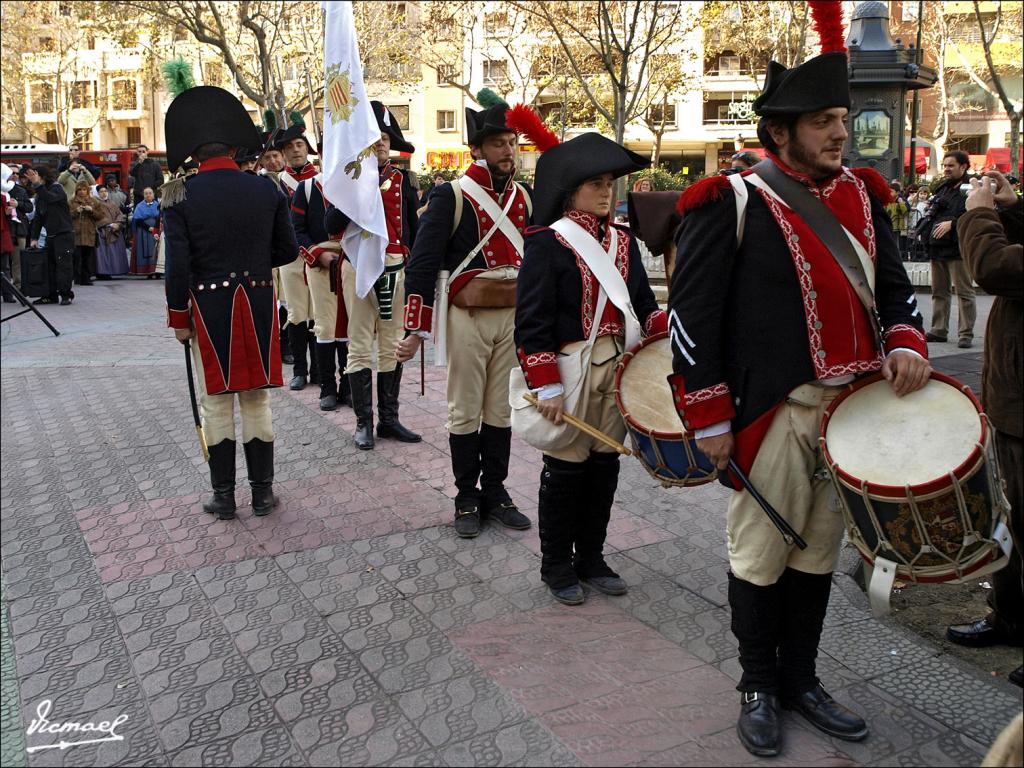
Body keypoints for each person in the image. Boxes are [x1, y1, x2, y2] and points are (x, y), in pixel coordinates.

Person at [667, 21, 930, 756]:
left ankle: (802, 681)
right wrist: (710, 416)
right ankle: (757, 684)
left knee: (816, 551)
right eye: (824, 122)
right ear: (781, 132)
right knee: (759, 554)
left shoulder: (864, 197)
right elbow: (692, 317)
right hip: (772, 411)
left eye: (843, 120)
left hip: (850, 411)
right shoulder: (733, 200)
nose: (840, 134)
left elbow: (894, 289)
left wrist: (906, 340)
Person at [515, 132, 667, 604]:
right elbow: (532, 322)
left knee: (604, 467)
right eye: (595, 183)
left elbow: (641, 303)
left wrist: (668, 334)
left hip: (619, 368)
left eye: (609, 183)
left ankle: (592, 558)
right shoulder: (547, 242)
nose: (606, 192)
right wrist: (546, 386)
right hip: (572, 370)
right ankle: (556, 564)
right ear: (570, 189)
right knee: (565, 470)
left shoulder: (623, 241)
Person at [397, 99, 533, 537]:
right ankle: (466, 498)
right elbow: (422, 263)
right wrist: (416, 329)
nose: (508, 150)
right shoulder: (451, 194)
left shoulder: (524, 197)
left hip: (513, 313)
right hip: (468, 316)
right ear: (478, 149)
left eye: (511, 142)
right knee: (464, 411)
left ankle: (495, 491)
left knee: (500, 410)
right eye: (498, 143)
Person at [163, 85, 298, 520]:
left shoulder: (180, 196)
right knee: (257, 401)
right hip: (258, 302)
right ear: (235, 146)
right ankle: (262, 495)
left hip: (209, 308)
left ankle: (224, 497)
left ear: (193, 153)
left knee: (216, 402)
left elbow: (178, 267)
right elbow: (288, 252)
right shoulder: (266, 190)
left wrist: (179, 318)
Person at [946, 171, 1023, 688]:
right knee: (1012, 522)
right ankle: (1010, 618)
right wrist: (1012, 208)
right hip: (1014, 405)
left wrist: (978, 212)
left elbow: (994, 267)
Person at [327, 101, 420, 449]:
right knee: (360, 343)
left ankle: (390, 420)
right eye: (373, 139)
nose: (380, 144)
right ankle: (364, 422)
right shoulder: (349, 178)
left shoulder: (403, 180)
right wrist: (353, 196)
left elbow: (413, 228)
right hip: (358, 266)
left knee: (393, 344)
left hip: (396, 267)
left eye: (384, 138)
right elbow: (330, 225)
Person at [284, 118, 351, 412]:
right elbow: (296, 230)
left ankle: (349, 386)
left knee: (353, 327)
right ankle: (327, 387)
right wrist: (317, 255)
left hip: (351, 262)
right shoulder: (308, 189)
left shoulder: (355, 187)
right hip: (319, 262)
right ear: (322, 153)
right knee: (324, 324)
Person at [275, 118, 319, 393]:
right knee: (296, 313)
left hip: (317, 254)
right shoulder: (278, 183)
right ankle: (299, 370)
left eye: (300, 144)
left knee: (319, 314)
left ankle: (319, 370)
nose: (295, 150)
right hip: (291, 257)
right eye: (290, 147)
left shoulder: (321, 179)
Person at [922, 151, 976, 347]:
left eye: (951, 165)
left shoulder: (971, 187)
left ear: (963, 167)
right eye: (945, 165)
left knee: (964, 292)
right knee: (939, 291)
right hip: (938, 246)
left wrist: (953, 223)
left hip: (958, 247)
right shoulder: (942, 188)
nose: (946, 169)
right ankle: (938, 330)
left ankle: (965, 334)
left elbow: (975, 212)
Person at [26, 164, 75, 305]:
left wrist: (37, 185)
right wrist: (34, 238)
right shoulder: (40, 195)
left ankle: (66, 294)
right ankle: (50, 295)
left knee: (63, 266)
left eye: (36, 177)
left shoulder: (56, 188)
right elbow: (38, 217)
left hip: (63, 234)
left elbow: (50, 198)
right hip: (51, 235)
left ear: (42, 177)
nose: (33, 180)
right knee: (49, 266)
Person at [68, 180, 106, 285]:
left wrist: (91, 210)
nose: (82, 192)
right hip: (77, 233)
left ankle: (86, 278)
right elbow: (67, 216)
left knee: (88, 258)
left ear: (88, 191)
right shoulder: (71, 202)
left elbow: (101, 216)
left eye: (84, 189)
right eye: (79, 190)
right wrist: (76, 211)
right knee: (76, 257)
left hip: (89, 233)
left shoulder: (94, 201)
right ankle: (77, 278)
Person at [92, 184, 129, 278]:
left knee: (114, 253)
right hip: (103, 231)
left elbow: (119, 214)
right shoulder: (95, 204)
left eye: (105, 191)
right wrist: (108, 223)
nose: (104, 193)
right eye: (101, 191)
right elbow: (96, 217)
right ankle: (103, 272)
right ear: (98, 193)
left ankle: (115, 270)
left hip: (115, 229)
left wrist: (117, 223)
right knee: (104, 254)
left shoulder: (112, 203)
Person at [130, 188, 160, 276]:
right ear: (143, 195)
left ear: (153, 194)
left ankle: (158, 271)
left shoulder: (157, 205)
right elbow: (138, 220)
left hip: (156, 230)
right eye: (146, 193)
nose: (148, 195)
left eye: (150, 193)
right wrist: (148, 228)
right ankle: (148, 271)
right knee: (146, 250)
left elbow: (160, 217)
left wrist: (156, 228)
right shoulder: (139, 206)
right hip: (144, 231)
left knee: (156, 250)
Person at [886, 180, 911, 259]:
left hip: (897, 226)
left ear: (897, 192)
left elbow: (905, 211)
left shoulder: (901, 200)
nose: (890, 193)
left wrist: (901, 203)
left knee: (896, 242)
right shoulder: (887, 200)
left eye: (891, 191)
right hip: (888, 224)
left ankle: (897, 257)